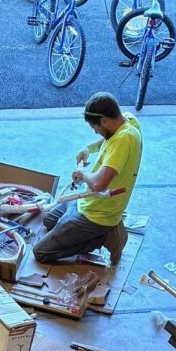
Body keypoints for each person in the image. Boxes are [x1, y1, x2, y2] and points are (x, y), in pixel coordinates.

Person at [34, 93, 142, 265]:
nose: (95, 131)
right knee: (48, 220)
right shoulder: (127, 121)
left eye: (95, 127)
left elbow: (99, 184)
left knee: (40, 252)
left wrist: (82, 174)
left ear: (104, 120)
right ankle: (88, 232)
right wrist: (87, 148)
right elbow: (106, 140)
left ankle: (102, 237)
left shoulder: (124, 140)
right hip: (86, 200)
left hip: (97, 215)